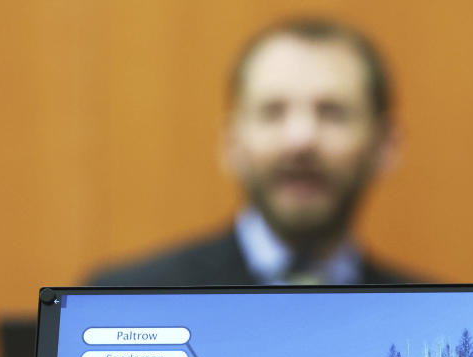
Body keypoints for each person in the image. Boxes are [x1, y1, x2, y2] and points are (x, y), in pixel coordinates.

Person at [90, 18, 412, 287]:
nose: (300, 140)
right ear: (231, 143)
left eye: (332, 113)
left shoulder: (431, 318)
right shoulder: (126, 298)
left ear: (385, 144)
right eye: (272, 112)